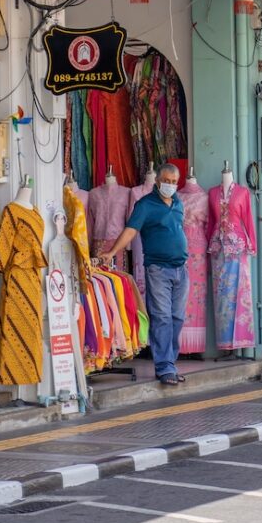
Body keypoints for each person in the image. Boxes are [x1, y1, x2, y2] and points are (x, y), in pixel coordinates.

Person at [98, 162, 188, 386]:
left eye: (173, 182)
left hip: (181, 269)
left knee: (177, 318)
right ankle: (164, 367)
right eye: (165, 181)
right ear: (157, 181)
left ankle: (171, 364)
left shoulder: (177, 202)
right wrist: (112, 252)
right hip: (158, 268)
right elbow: (130, 230)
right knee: (162, 317)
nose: (169, 185)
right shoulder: (145, 204)